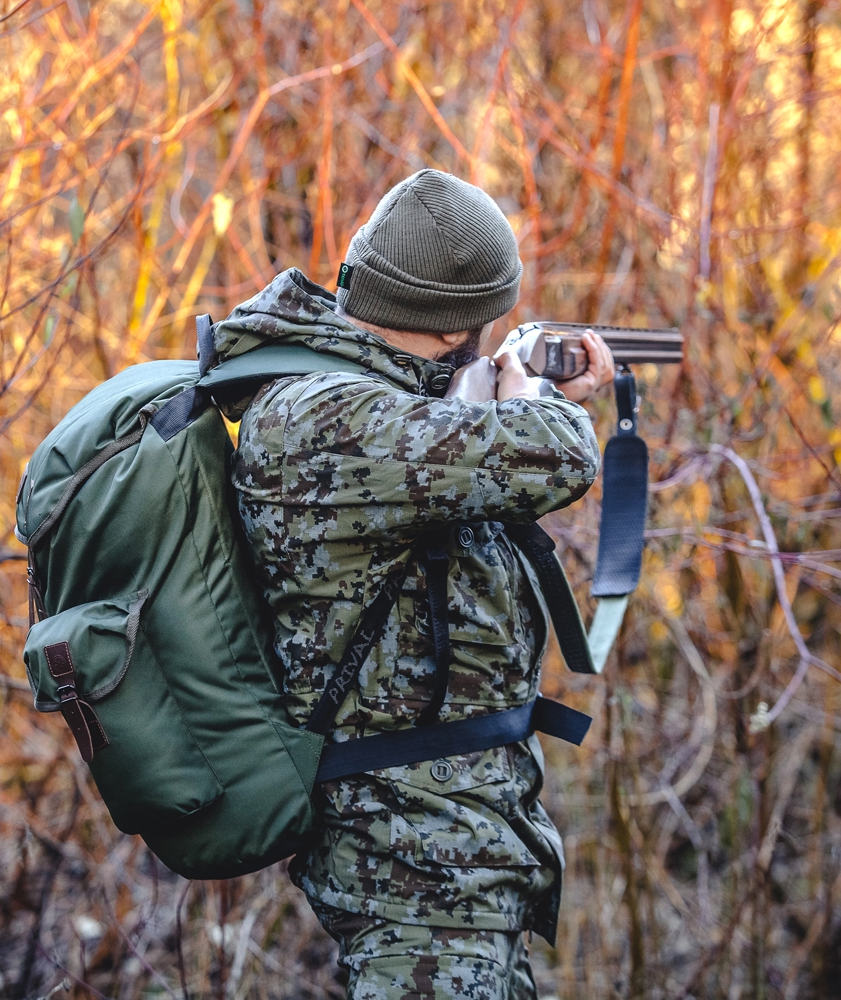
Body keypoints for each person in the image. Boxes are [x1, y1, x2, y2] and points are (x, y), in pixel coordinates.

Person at [218, 169, 614, 999]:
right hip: (414, 869)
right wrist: (539, 402)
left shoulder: (377, 411)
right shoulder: (325, 415)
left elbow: (471, 462)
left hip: (463, 858)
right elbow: (558, 454)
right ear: (462, 324)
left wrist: (514, 396)